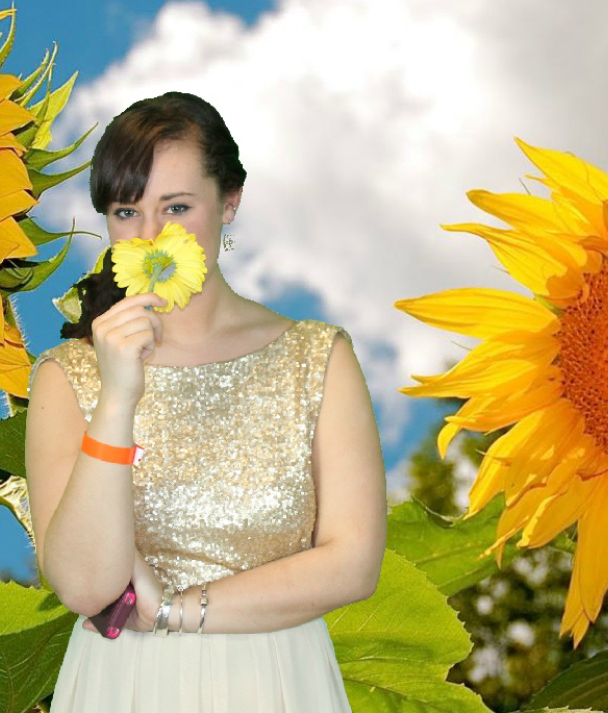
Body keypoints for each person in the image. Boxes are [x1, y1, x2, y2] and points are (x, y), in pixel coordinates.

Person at [25, 91, 386, 712]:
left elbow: (353, 563)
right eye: (126, 212)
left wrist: (170, 610)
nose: (151, 237)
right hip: (125, 688)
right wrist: (116, 399)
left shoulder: (317, 357)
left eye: (178, 207)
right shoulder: (67, 376)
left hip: (279, 681)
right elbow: (86, 584)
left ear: (230, 204)